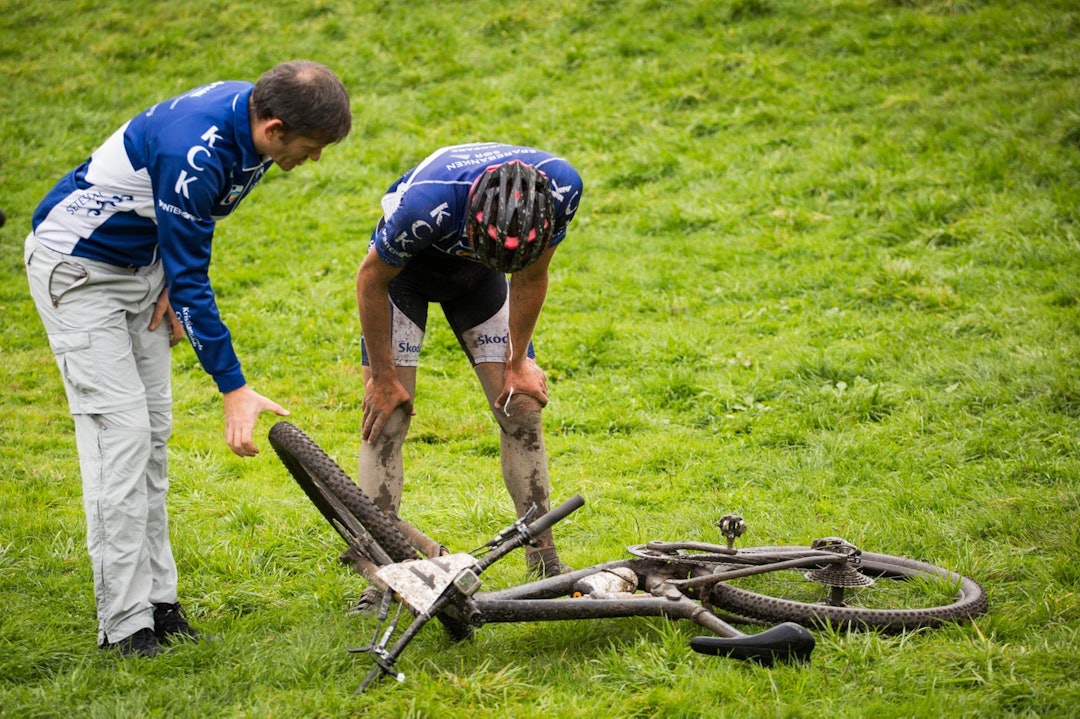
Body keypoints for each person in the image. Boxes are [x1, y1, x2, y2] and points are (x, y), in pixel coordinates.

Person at [23, 61, 351, 657]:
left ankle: (158, 605)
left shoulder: (247, 123)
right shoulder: (195, 151)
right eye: (310, 147)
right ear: (274, 127)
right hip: (80, 274)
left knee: (150, 440)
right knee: (118, 442)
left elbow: (191, 235)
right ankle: (123, 627)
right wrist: (233, 386)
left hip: (143, 273)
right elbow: (195, 270)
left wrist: (170, 273)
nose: (315, 159)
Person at [355, 142, 583, 585]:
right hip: (407, 274)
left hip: (480, 280)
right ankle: (384, 575)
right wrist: (382, 377)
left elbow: (531, 275)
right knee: (388, 417)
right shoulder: (425, 205)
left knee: (522, 407)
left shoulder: (561, 189)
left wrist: (518, 363)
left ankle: (545, 562)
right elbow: (370, 280)